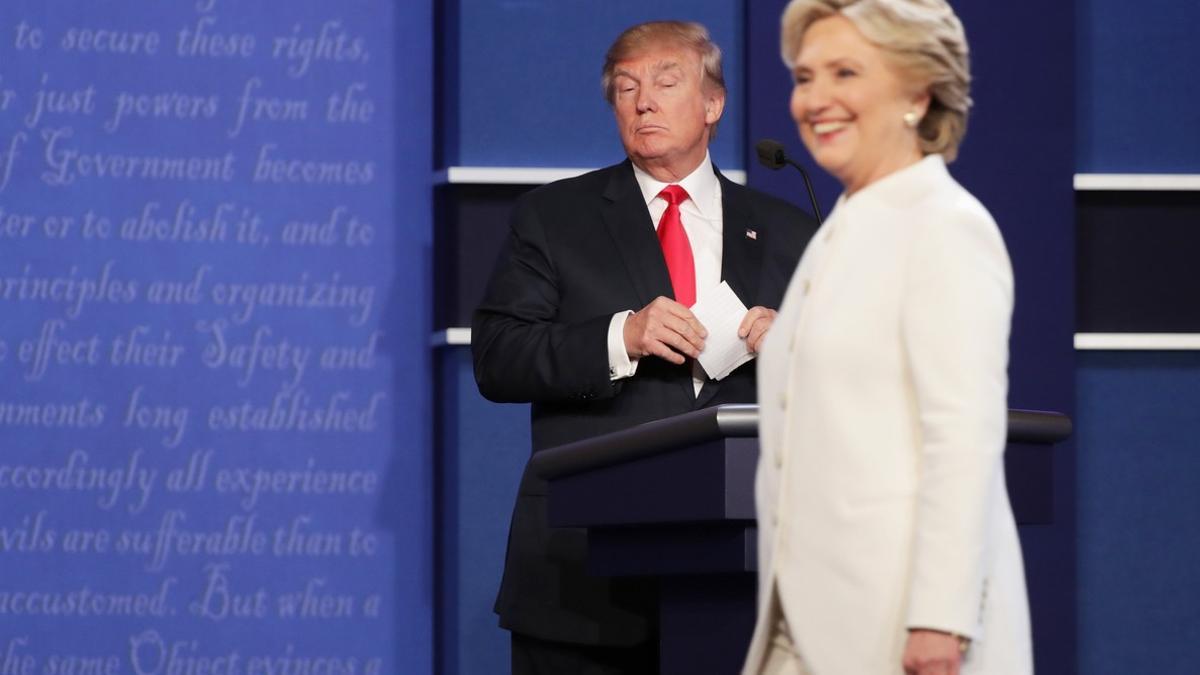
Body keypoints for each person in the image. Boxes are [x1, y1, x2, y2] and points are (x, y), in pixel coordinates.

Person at [473, 20, 818, 675]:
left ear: (713, 103)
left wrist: (800, 348)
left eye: (666, 82)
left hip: (742, 577)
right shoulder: (554, 218)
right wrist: (619, 336)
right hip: (582, 578)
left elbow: (847, 393)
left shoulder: (790, 231)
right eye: (626, 89)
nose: (643, 101)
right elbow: (497, 355)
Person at [742, 1, 1031, 674]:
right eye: (805, 76)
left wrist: (939, 620)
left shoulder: (943, 224)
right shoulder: (843, 228)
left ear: (917, 92)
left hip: (903, 634)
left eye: (846, 72)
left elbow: (962, 437)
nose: (816, 99)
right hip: (808, 625)